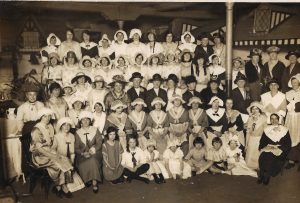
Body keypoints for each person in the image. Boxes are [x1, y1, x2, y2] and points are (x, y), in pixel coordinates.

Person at [30, 108, 74, 198]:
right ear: (41, 117)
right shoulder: (36, 129)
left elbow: (51, 143)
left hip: (49, 151)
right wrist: (53, 156)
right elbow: (39, 149)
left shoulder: (50, 126)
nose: (47, 118)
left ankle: (58, 186)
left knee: (64, 159)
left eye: (49, 116)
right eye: (45, 116)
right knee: (58, 162)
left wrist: (55, 154)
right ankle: (63, 186)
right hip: (39, 155)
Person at [53, 117, 85, 194]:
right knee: (63, 166)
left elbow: (72, 151)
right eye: (64, 125)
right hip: (59, 158)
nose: (66, 127)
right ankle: (62, 186)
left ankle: (60, 186)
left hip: (69, 158)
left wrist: (72, 160)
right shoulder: (56, 136)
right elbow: (53, 150)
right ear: (61, 126)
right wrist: (61, 158)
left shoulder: (72, 136)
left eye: (68, 125)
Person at [258, 113, 291, 185]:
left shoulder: (284, 129)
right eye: (272, 119)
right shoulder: (267, 129)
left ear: (278, 120)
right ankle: (262, 174)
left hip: (280, 149)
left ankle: (266, 175)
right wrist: (263, 147)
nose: (274, 120)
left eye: (275, 118)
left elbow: (288, 144)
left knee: (269, 156)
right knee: (262, 156)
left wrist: (279, 148)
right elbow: (262, 141)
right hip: (269, 147)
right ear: (270, 120)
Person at [75, 111, 102, 193]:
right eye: (83, 120)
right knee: (83, 161)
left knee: (93, 160)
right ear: (80, 122)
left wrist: (93, 150)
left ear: (90, 121)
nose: (85, 121)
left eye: (87, 119)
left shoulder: (95, 130)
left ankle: (94, 181)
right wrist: (83, 153)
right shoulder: (77, 132)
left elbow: (99, 143)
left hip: (95, 152)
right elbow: (76, 148)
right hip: (82, 154)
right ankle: (87, 179)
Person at [245, 102, 268, 170]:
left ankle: (259, 166)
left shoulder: (263, 118)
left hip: (260, 139)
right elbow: (248, 132)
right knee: (250, 155)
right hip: (251, 139)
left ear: (259, 110)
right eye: (253, 109)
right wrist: (246, 144)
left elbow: (266, 132)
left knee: (258, 155)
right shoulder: (250, 119)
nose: (254, 111)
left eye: (256, 109)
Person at [285, 74, 300, 169]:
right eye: (293, 82)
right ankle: (291, 160)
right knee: (291, 137)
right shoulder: (288, 93)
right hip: (290, 118)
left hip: (299, 117)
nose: (294, 84)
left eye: (296, 82)